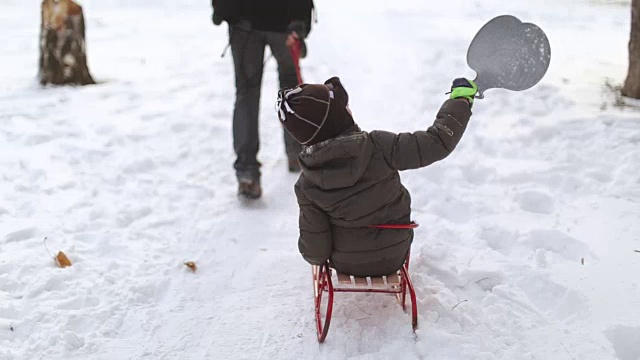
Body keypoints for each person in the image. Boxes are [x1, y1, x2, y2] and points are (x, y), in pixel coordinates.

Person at [276, 77, 477, 277]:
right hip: (395, 254)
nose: (349, 109)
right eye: (344, 107)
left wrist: (309, 250)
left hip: (346, 263)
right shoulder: (379, 146)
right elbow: (436, 143)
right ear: (337, 119)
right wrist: (460, 101)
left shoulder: (307, 185)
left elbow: (315, 252)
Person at [211, 0, 315, 199]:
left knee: (247, 94)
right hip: (280, 20)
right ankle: (296, 154)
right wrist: (300, 19)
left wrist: (221, 8)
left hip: (245, 19)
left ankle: (248, 173)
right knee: (289, 89)